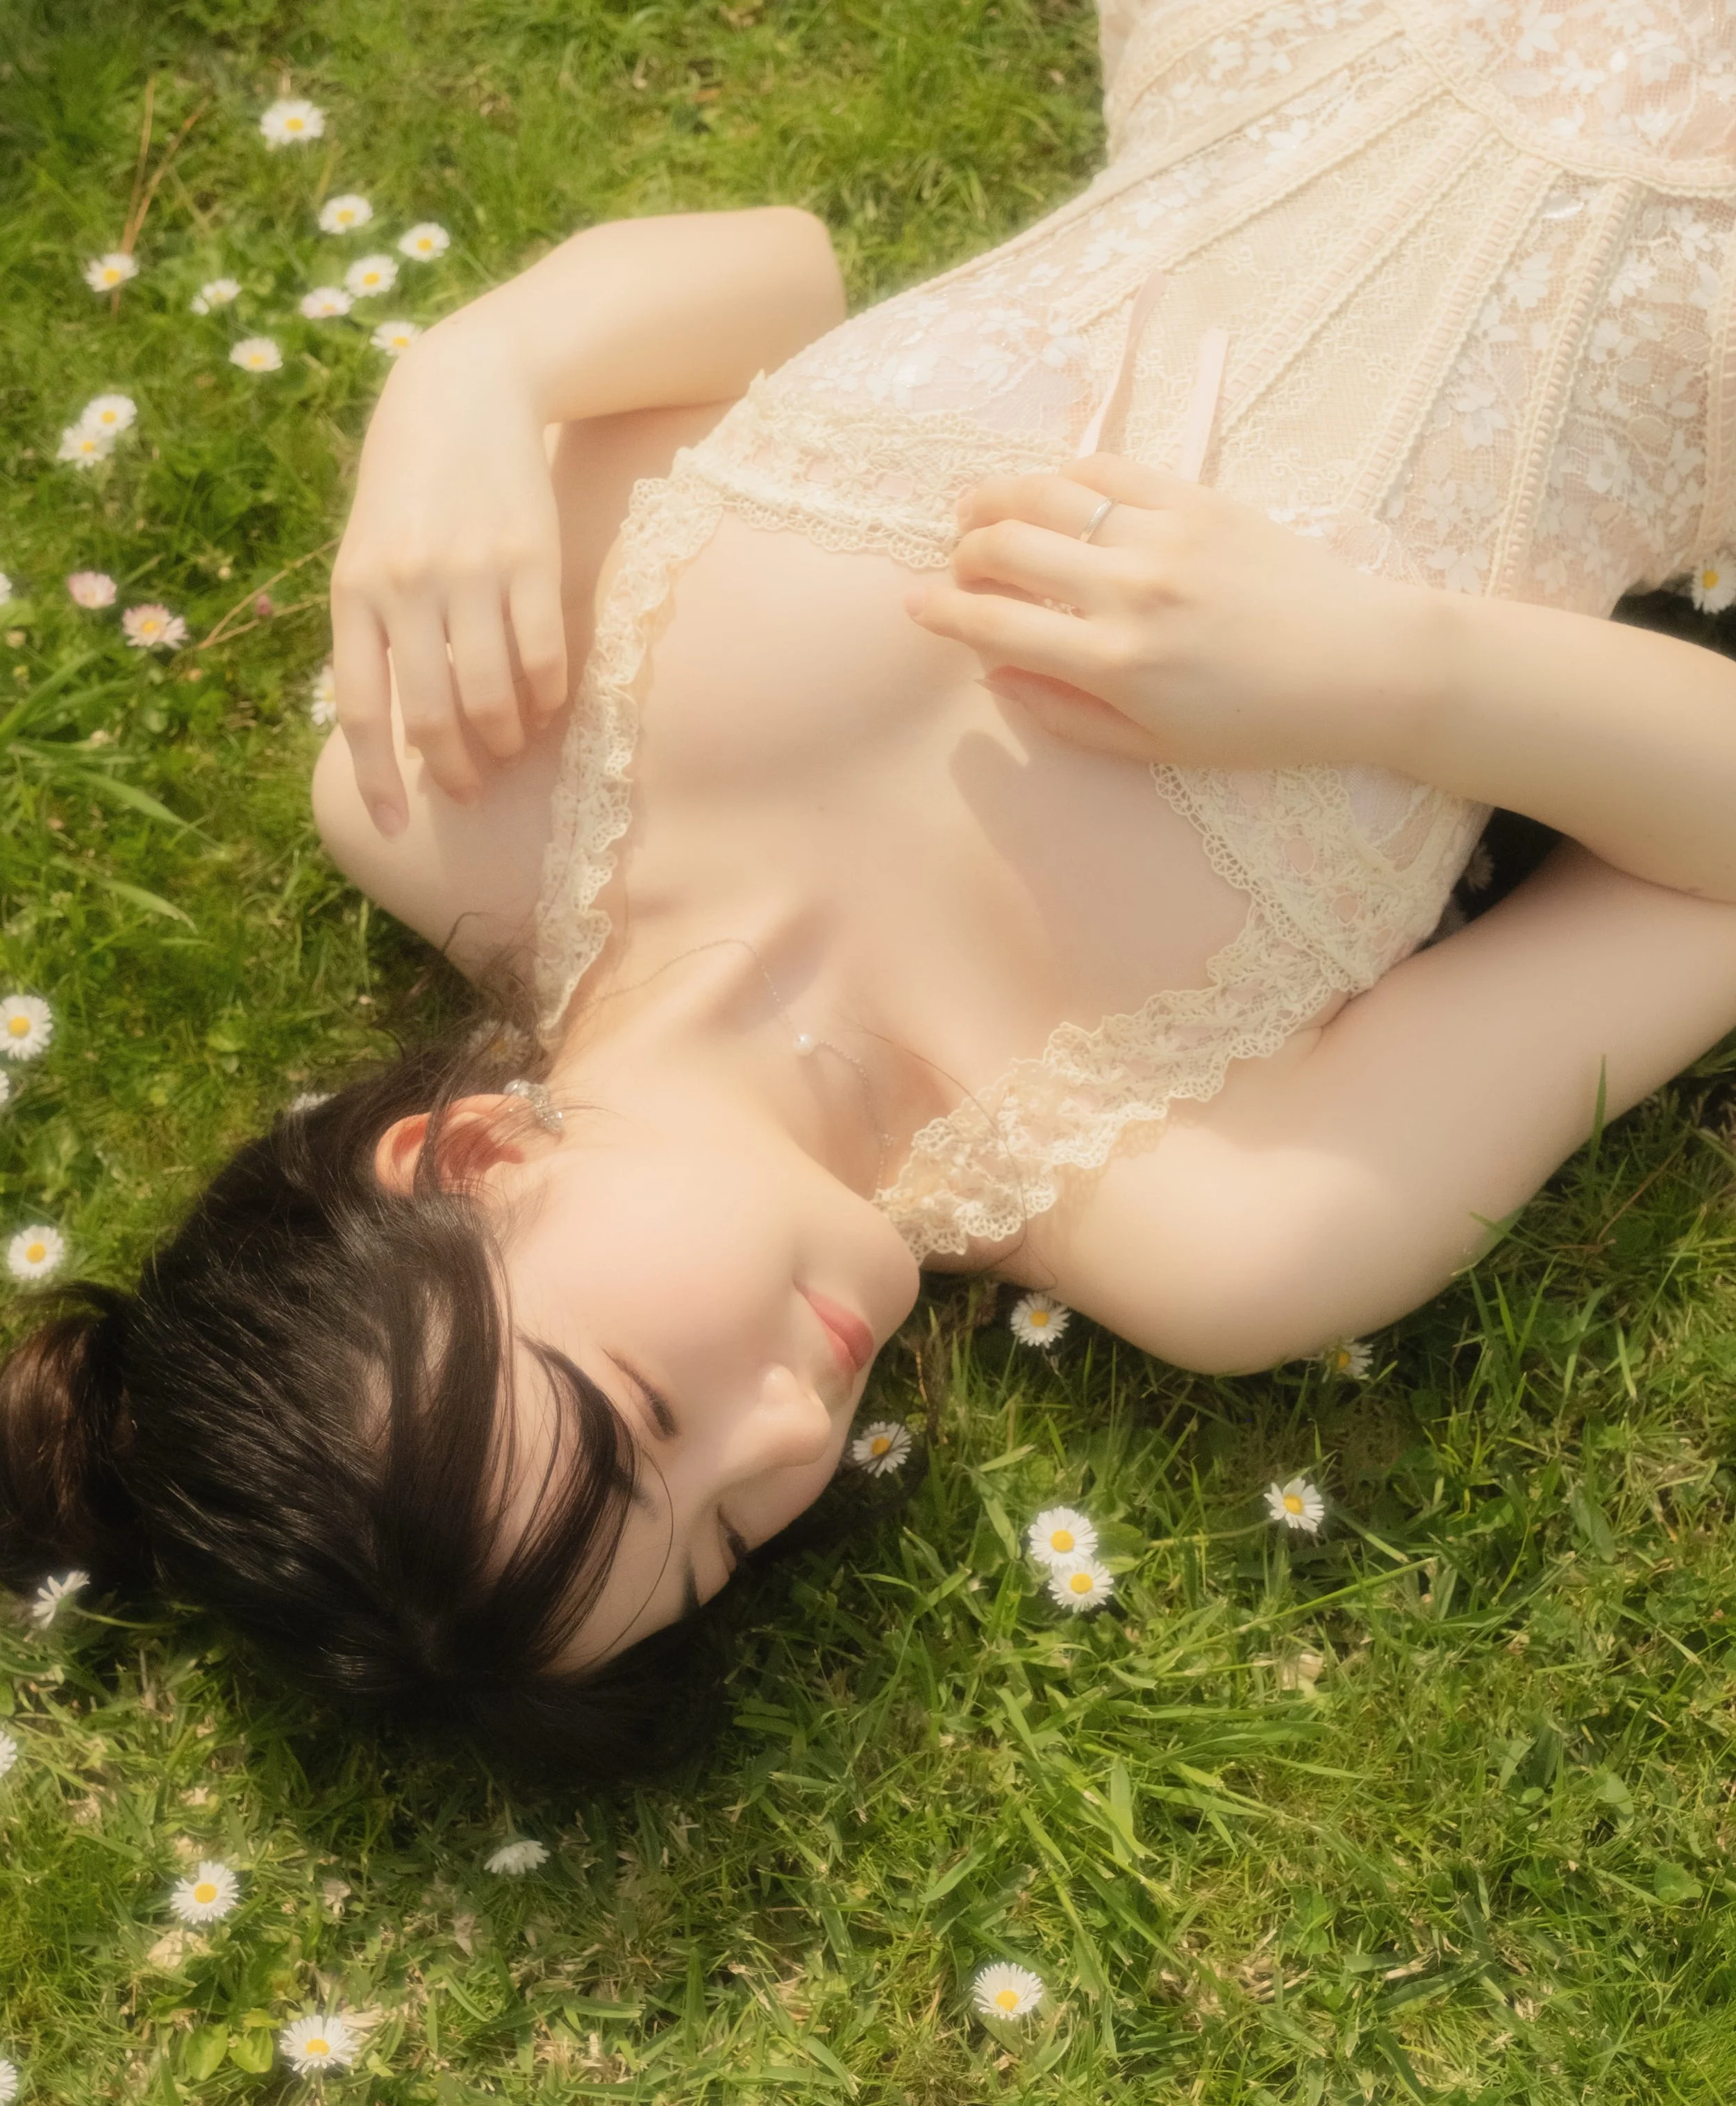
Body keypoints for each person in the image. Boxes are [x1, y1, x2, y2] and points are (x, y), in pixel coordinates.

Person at [6, 0, 1736, 1776]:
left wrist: (471, 372)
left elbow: (780, 282)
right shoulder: (1215, 1226)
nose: (782, 1446)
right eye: (724, 1538)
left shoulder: (451, 793)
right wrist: (1390, 676)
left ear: (470, 1161)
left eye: (646, 1417)